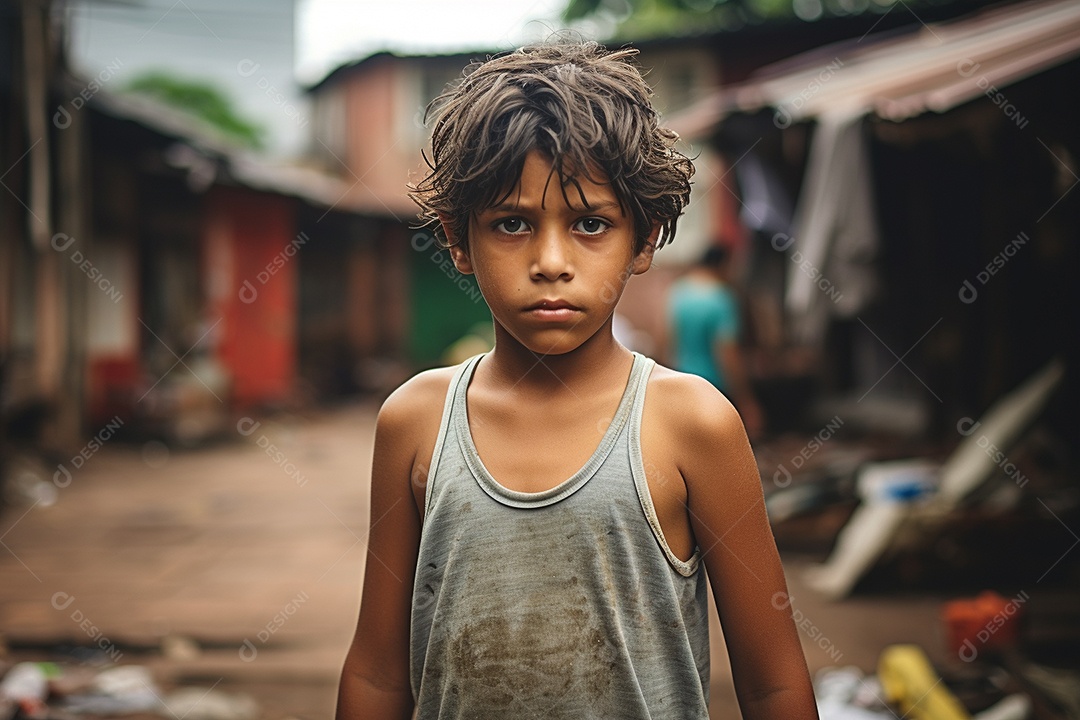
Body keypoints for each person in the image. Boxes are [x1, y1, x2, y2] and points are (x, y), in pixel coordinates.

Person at [336, 41, 817, 719]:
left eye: (591, 223)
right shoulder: (416, 420)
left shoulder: (692, 424)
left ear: (644, 240)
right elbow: (378, 674)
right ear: (456, 239)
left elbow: (773, 684)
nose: (551, 261)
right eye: (512, 224)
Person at [668, 244, 765, 438]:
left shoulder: (678, 292)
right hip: (714, 391)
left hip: (682, 386)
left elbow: (666, 341)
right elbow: (727, 354)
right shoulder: (721, 299)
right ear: (723, 265)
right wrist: (746, 401)